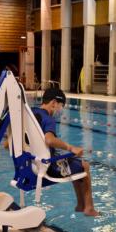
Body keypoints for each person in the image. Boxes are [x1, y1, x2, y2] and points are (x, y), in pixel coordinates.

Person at [33, 88, 99, 217]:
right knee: (84, 165)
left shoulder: (31, 113)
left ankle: (81, 205)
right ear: (53, 103)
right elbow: (49, 140)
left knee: (73, 162)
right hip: (47, 167)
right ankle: (89, 208)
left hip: (31, 162)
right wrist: (70, 148)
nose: (60, 110)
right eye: (61, 106)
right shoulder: (48, 119)